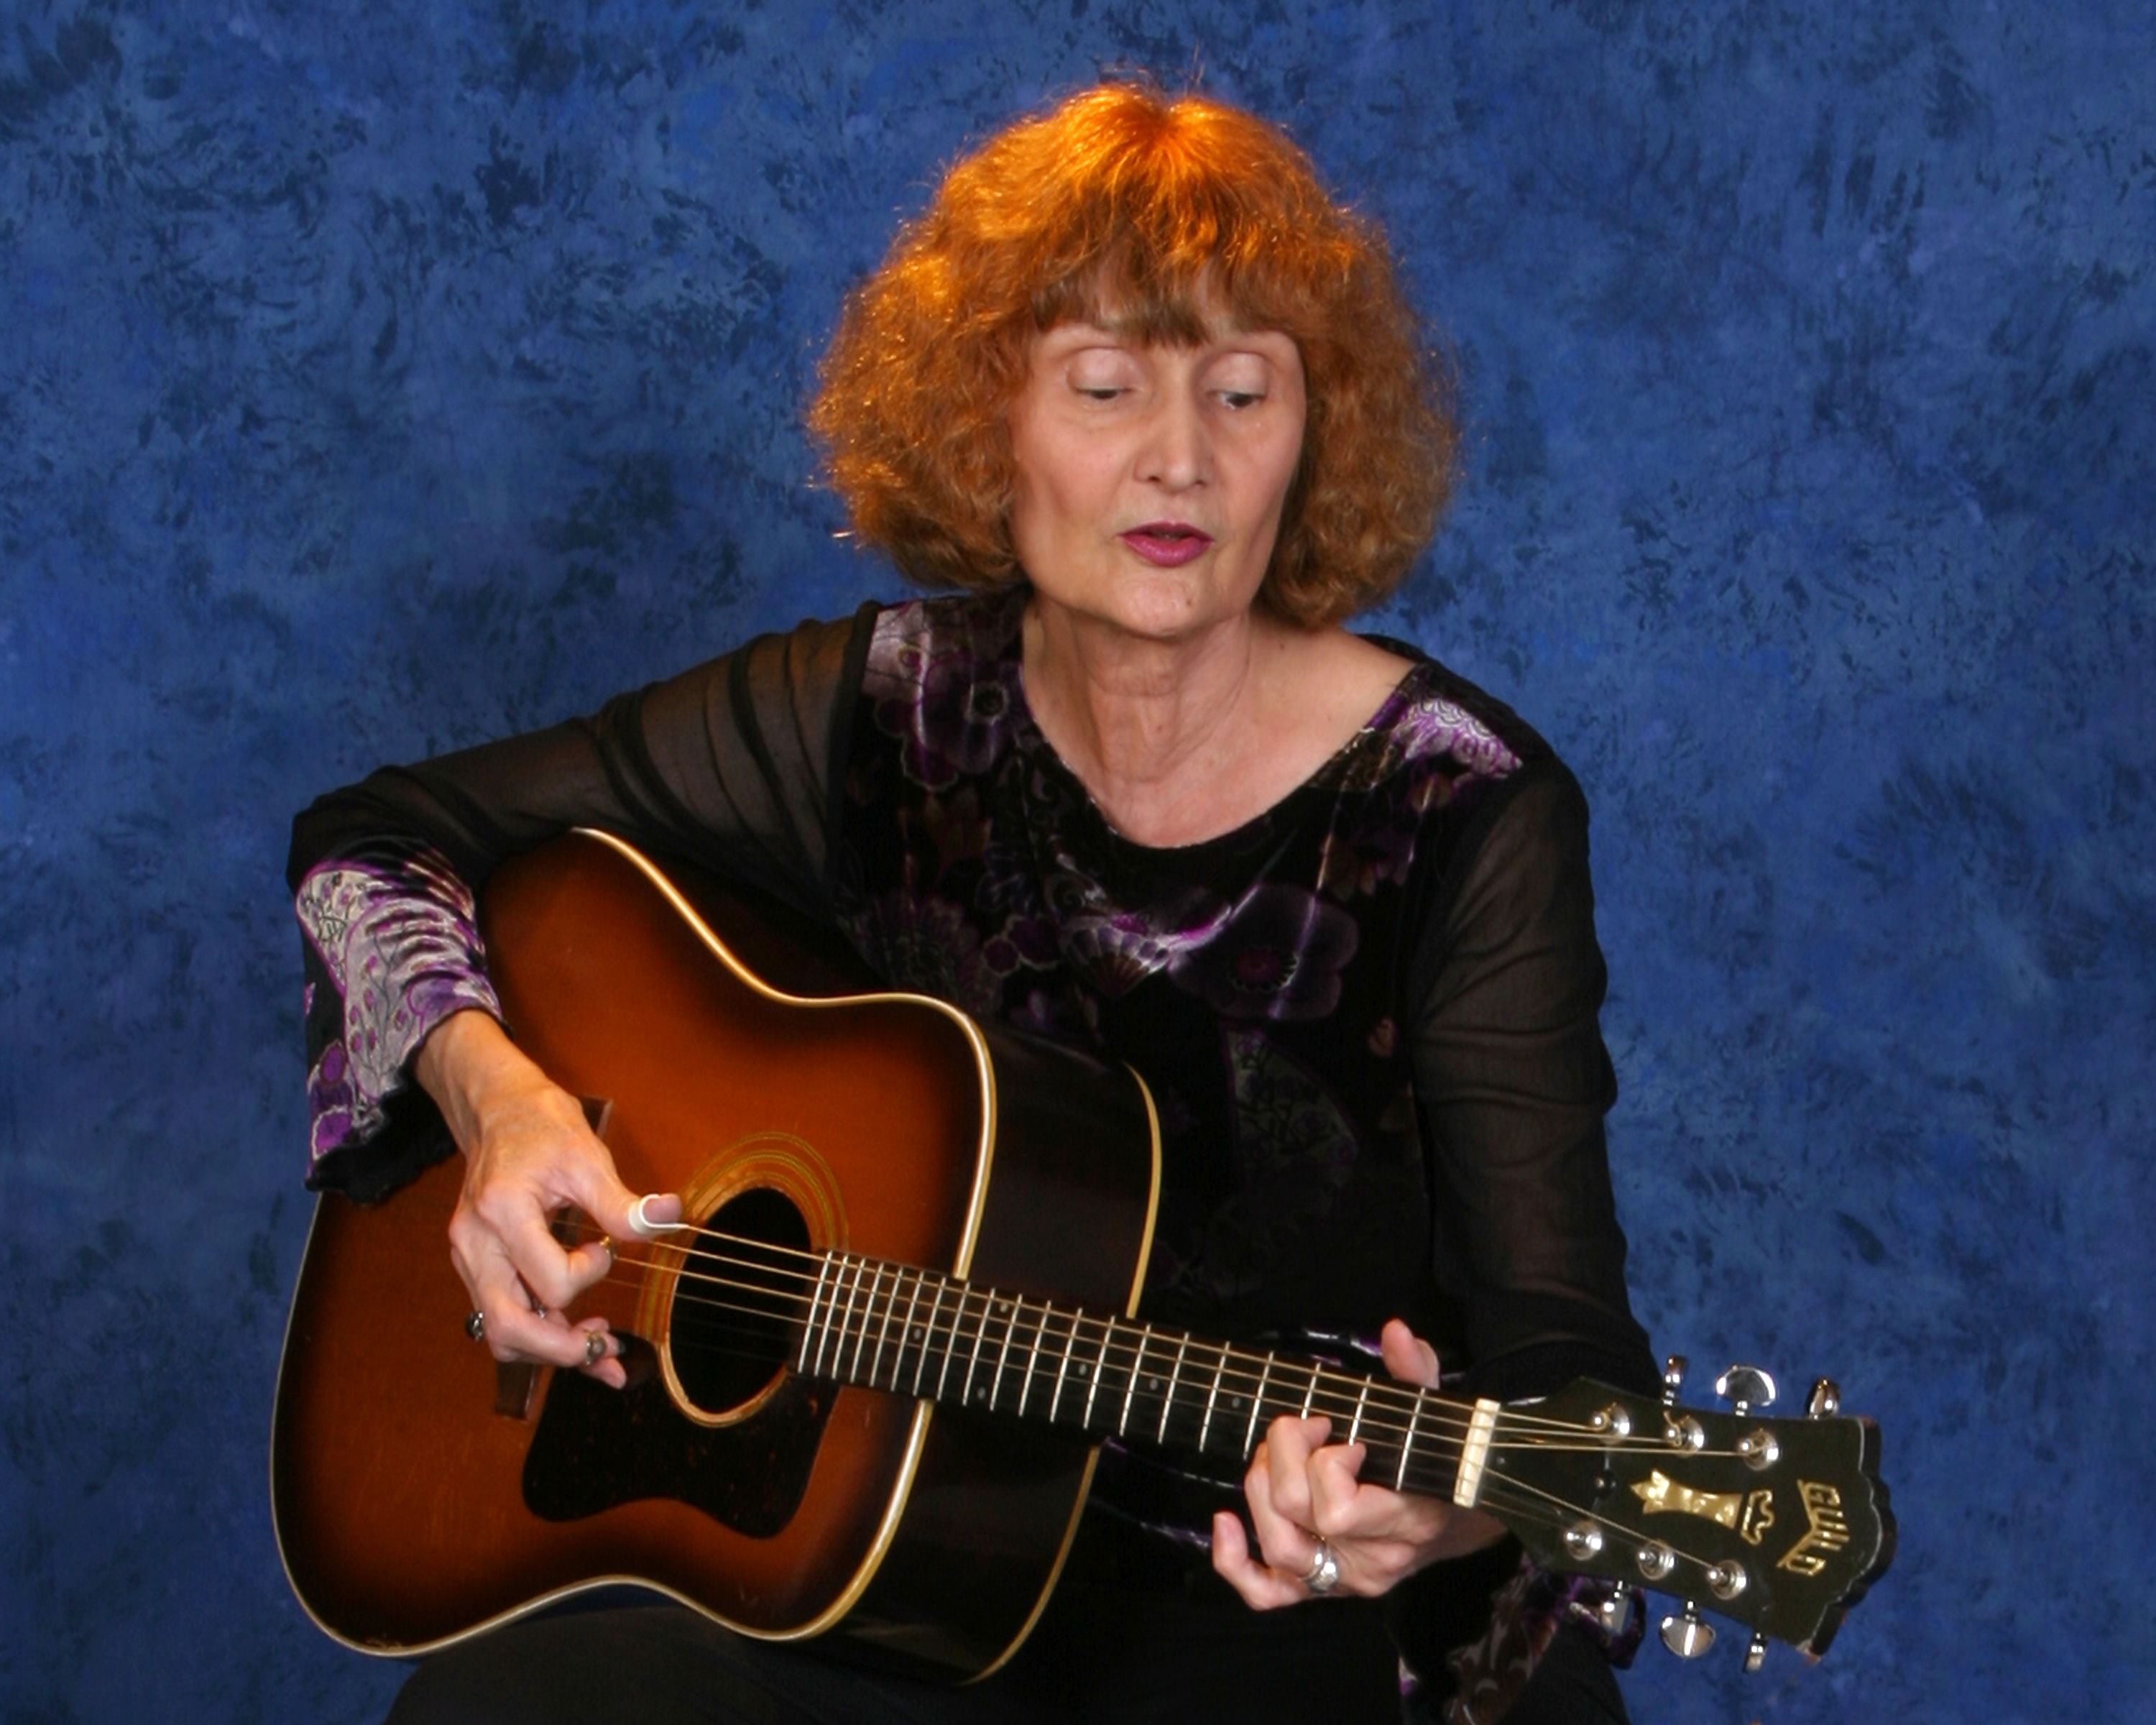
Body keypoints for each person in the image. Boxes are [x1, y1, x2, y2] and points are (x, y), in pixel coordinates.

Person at [288, 83, 1657, 1725]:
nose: (1181, 459)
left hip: (1275, 1625)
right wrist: (495, 1101)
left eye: (1243, 391)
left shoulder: (1457, 805)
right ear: (983, 418)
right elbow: (376, 844)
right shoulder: (875, 716)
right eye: (1105, 387)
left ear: (1317, 434)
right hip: (891, 1580)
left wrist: (1446, 1510)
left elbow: (1569, 1361)